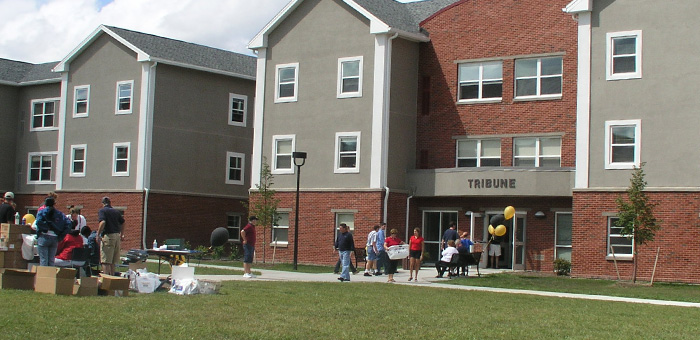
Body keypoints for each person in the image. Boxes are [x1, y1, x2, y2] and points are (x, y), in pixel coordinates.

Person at [34, 196, 72, 266]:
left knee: (43, 260)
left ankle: (43, 276)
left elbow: (38, 222)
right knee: (51, 260)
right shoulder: (60, 214)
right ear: (54, 204)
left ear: (45, 204)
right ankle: (51, 276)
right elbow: (69, 224)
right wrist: (61, 235)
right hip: (55, 238)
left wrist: (45, 228)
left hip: (43, 236)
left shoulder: (41, 212)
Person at [97, 197, 125, 276]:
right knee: (112, 262)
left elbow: (102, 222)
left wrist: (98, 234)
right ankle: (112, 281)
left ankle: (106, 281)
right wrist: (122, 234)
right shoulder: (116, 211)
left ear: (102, 204)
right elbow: (123, 222)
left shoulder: (102, 211)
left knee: (106, 262)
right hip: (117, 237)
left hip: (108, 237)